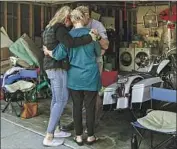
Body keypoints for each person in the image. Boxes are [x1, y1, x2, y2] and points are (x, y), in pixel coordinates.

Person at [43, 9, 101, 146]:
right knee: (90, 107)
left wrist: (48, 52)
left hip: (74, 77)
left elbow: (58, 55)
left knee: (76, 106)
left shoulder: (68, 36)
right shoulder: (91, 34)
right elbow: (98, 52)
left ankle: (79, 136)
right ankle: (91, 136)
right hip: (91, 76)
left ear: (72, 20)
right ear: (83, 19)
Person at [61, 5, 109, 132]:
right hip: (84, 65)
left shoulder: (97, 25)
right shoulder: (75, 29)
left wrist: (96, 37)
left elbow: (106, 45)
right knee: (82, 99)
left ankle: (92, 123)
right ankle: (80, 123)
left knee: (93, 96)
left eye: (86, 14)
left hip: (94, 63)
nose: (86, 16)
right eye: (83, 14)